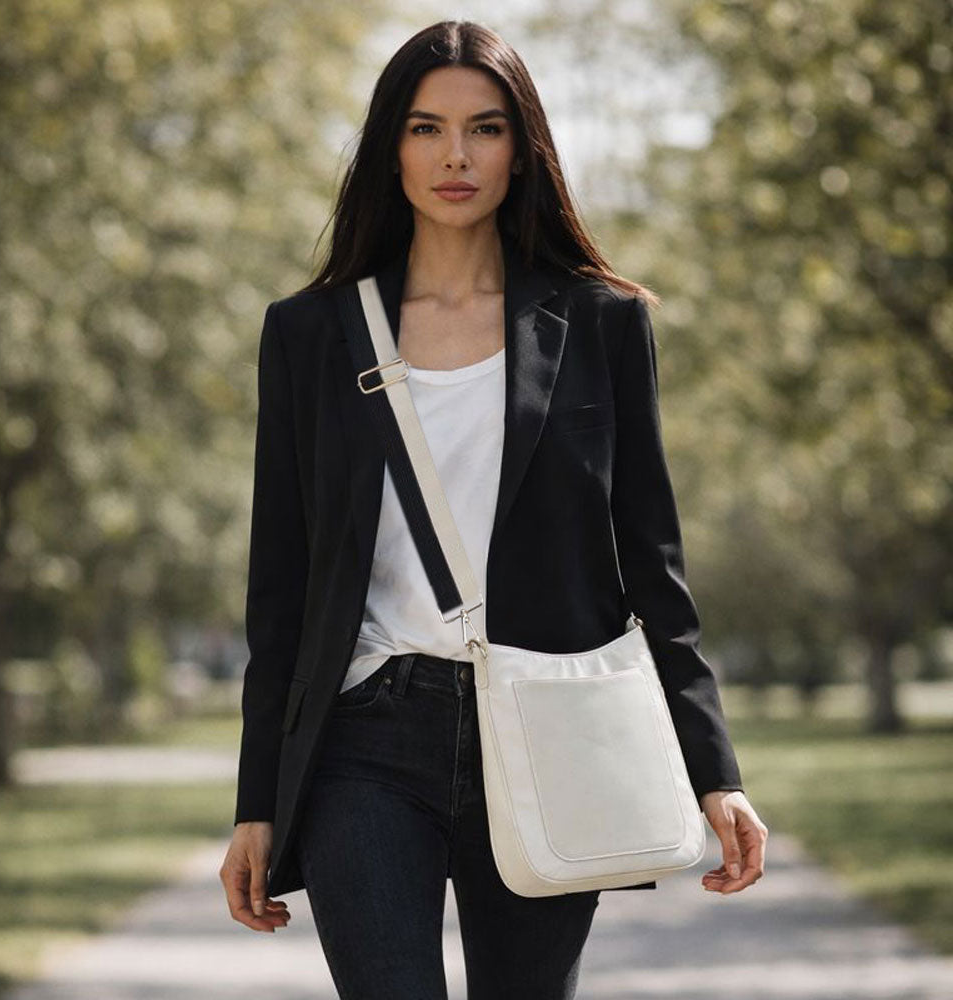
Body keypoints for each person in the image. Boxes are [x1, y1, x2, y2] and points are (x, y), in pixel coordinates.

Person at [219, 18, 768, 1000]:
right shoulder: (310, 333)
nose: (456, 156)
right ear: (391, 148)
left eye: (485, 128)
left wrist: (712, 768)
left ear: (524, 149)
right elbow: (282, 586)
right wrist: (256, 802)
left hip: (547, 730)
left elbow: (653, 561)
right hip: (365, 742)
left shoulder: (601, 322)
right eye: (426, 128)